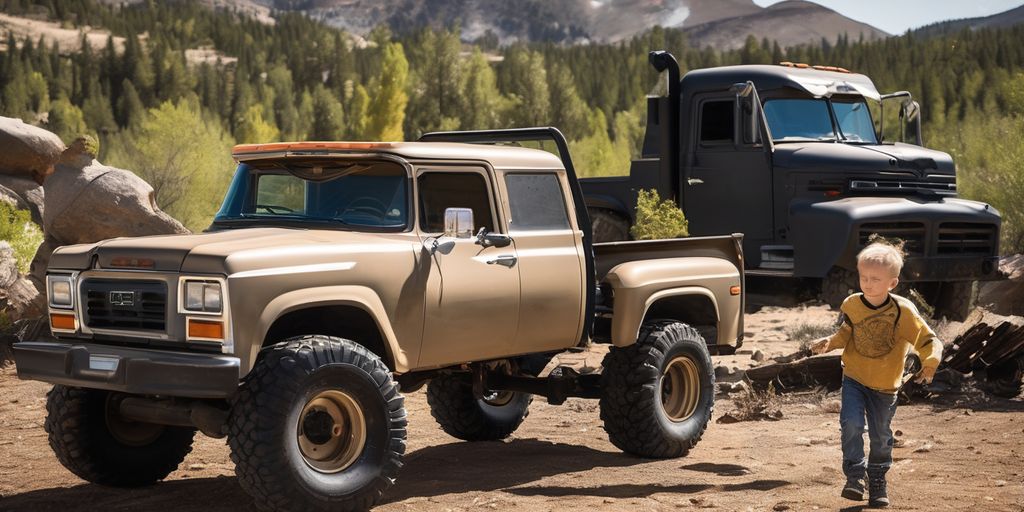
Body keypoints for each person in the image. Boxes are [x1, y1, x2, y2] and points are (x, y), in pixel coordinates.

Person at [809, 241, 943, 508]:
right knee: (851, 424)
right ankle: (855, 477)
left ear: (892, 283)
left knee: (881, 435)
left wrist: (930, 362)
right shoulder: (852, 304)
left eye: (875, 279)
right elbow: (848, 332)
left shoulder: (903, 312)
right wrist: (831, 342)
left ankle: (878, 478)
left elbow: (928, 340)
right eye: (863, 277)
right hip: (855, 378)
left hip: (885, 386)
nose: (867, 284)